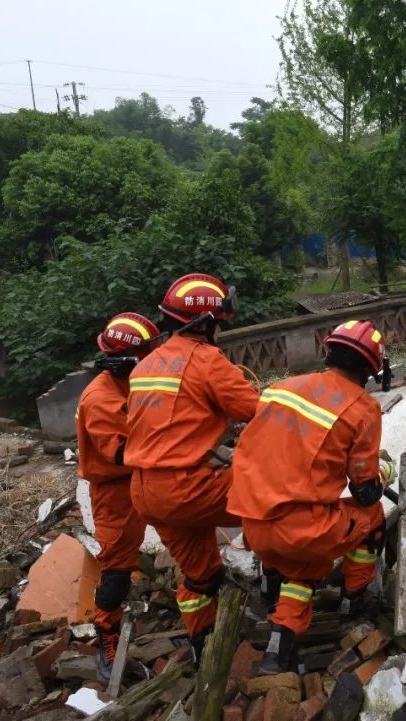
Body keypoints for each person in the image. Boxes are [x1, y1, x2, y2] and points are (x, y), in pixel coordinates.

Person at [228, 320, 394, 675]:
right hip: (303, 530)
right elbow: (364, 493)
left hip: (253, 525)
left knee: (303, 570)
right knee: (373, 517)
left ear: (328, 350)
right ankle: (356, 600)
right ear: (370, 367)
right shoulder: (363, 409)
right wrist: (386, 472)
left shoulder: (281, 388)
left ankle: (277, 648)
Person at [124, 273, 260, 659]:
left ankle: (204, 647)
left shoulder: (145, 366)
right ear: (204, 323)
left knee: (202, 576)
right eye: (218, 320)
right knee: (273, 485)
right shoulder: (206, 360)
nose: (221, 327)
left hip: (147, 494)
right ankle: (280, 586)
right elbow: (256, 411)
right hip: (187, 489)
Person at [76, 312, 160, 682]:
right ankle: (107, 639)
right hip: (115, 491)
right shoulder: (99, 399)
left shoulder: (129, 384)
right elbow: (121, 452)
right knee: (117, 570)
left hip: (144, 477)